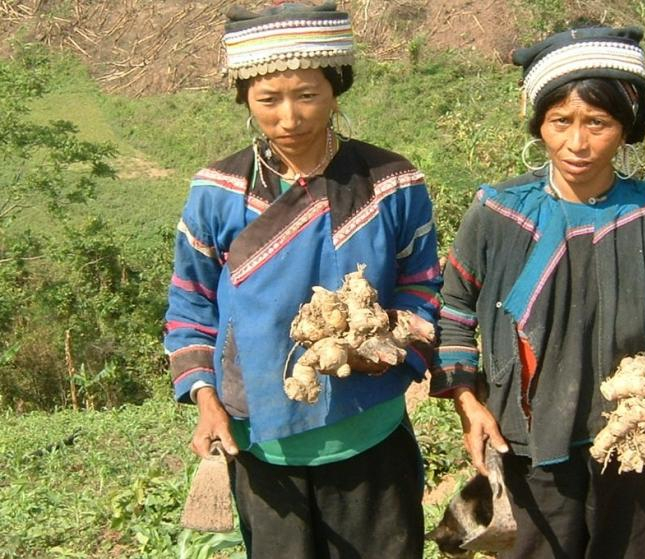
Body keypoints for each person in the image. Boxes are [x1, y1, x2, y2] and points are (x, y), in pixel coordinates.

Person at [164, 3, 441, 557]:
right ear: (245, 99)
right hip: (260, 438)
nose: (289, 117)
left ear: (335, 90)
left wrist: (388, 344)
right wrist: (205, 398)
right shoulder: (218, 190)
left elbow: (422, 283)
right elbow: (191, 304)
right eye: (268, 99)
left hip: (371, 429)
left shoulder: (392, 181)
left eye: (307, 95)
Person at [431, 27, 645, 558]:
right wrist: (470, 402)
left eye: (597, 124)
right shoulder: (498, 212)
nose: (577, 143)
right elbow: (456, 309)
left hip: (628, 440)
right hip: (529, 437)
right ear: (539, 125)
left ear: (626, 128)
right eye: (560, 122)